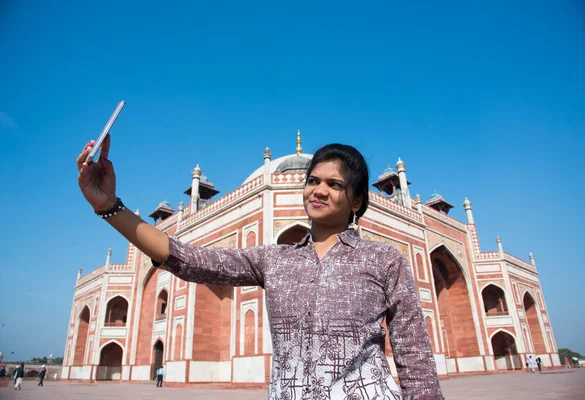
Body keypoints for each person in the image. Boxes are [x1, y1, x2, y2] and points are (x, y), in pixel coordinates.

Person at [76, 136, 445, 399]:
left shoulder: (383, 259)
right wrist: (108, 206)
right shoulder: (275, 260)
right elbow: (188, 259)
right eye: (312, 180)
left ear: (357, 200)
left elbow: (415, 360)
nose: (319, 190)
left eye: (334, 184)